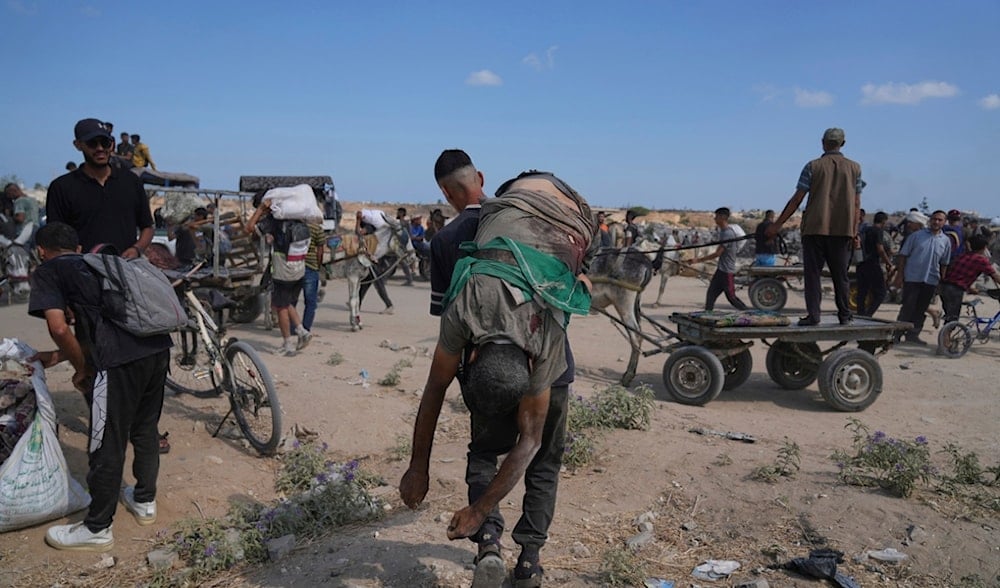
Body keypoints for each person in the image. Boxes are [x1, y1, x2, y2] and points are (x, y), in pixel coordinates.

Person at [403, 159, 595, 588]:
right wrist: (419, 467)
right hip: (518, 367)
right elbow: (530, 444)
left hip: (513, 361)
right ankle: (529, 562)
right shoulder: (532, 333)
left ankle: (488, 544)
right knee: (545, 462)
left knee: (484, 452)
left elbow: (435, 389)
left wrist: (426, 473)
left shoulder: (463, 305)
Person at [28, 222, 171, 552]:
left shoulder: (48, 270)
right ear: (79, 249)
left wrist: (83, 369)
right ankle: (145, 501)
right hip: (157, 349)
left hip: (117, 362)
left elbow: (59, 328)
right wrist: (59, 357)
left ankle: (97, 528)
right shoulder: (100, 264)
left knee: (105, 439)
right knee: (146, 428)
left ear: (41, 251)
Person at [767, 127, 863, 326]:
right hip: (843, 231)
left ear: (822, 142)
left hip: (814, 229)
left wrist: (777, 225)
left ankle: (814, 315)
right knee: (841, 277)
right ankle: (844, 315)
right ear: (843, 144)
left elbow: (796, 200)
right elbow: (856, 203)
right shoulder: (855, 168)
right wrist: (854, 231)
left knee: (813, 276)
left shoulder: (812, 166)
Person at [46, 118, 154, 257]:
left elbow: (147, 227)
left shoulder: (131, 181)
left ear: (112, 144)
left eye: (105, 143)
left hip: (125, 271)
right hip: (81, 272)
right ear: (78, 145)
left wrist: (136, 249)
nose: (100, 148)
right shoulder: (61, 188)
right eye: (92, 143)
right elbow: (55, 237)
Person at [247, 196, 310, 355]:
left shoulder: (274, 221)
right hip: (299, 269)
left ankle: (288, 344)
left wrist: (261, 210)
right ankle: (302, 331)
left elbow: (249, 228)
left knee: (280, 306)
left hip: (283, 270)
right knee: (287, 302)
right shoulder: (301, 222)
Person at [893, 210, 951, 345]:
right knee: (907, 307)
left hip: (931, 280)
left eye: (940, 220)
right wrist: (899, 275)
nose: (936, 222)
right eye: (934, 219)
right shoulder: (916, 236)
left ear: (944, 222)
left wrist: (941, 281)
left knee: (921, 308)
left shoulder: (945, 241)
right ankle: (896, 334)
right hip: (912, 278)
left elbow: (944, 263)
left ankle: (913, 335)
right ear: (930, 220)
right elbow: (903, 256)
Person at [691, 207, 748, 311]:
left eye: (716, 216)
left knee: (732, 298)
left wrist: (698, 260)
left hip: (727, 272)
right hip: (721, 271)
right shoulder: (723, 231)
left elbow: (717, 253)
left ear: (723, 217)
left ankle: (750, 315)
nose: (714, 219)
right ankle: (708, 317)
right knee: (710, 296)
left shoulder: (727, 233)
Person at [938, 234, 1000, 324]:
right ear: (984, 247)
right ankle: (945, 336)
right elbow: (995, 276)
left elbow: (960, 274)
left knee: (949, 316)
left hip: (944, 287)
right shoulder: (981, 260)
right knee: (952, 320)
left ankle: (945, 335)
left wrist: (970, 288)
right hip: (955, 290)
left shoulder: (964, 255)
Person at [355, 208, 396, 314]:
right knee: (365, 283)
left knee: (377, 282)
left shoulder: (369, 227)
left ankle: (389, 305)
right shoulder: (372, 225)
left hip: (373, 258)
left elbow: (358, 233)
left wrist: (358, 221)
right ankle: (357, 305)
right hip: (373, 257)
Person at [855, 212, 894, 317]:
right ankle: (868, 314)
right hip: (872, 264)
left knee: (862, 291)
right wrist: (888, 263)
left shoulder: (865, 230)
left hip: (861, 263)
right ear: (884, 221)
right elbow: (880, 249)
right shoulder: (879, 232)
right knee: (881, 293)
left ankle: (860, 313)